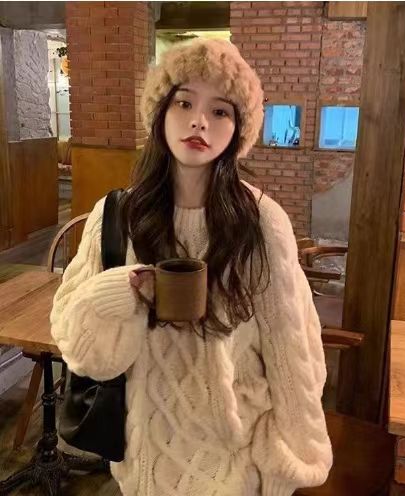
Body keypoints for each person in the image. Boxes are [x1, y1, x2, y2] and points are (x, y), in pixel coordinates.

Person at [50, 38, 332, 496]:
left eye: (220, 110)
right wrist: (122, 291)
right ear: (161, 112)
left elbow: (294, 353)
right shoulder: (117, 215)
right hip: (144, 461)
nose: (199, 120)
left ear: (238, 129)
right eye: (184, 102)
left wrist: (288, 463)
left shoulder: (261, 221)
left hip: (236, 463)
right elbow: (90, 359)